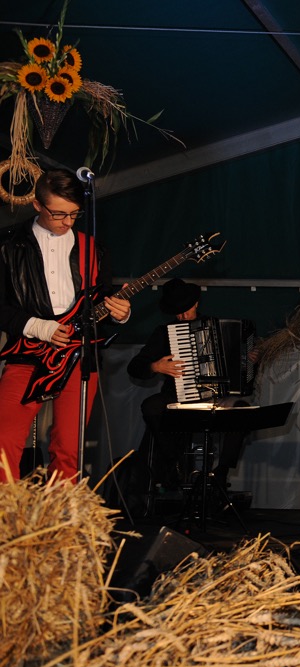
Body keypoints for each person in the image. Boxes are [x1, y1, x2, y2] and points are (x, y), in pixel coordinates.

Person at [0, 168, 131, 483]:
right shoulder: (8, 245)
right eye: (58, 214)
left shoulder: (94, 248)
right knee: (3, 441)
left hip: (79, 355)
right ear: (37, 205)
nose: (67, 222)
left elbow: (102, 298)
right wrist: (39, 326)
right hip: (28, 351)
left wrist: (119, 313)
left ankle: (64, 510)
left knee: (70, 448)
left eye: (74, 214)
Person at [127, 278, 247, 491]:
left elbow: (241, 365)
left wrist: (248, 360)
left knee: (243, 411)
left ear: (196, 303)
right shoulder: (164, 332)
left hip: (217, 398)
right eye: (177, 312)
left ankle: (221, 472)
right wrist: (156, 366)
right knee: (150, 406)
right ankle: (174, 463)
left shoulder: (218, 327)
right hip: (177, 397)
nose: (182, 316)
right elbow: (135, 367)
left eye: (186, 310)